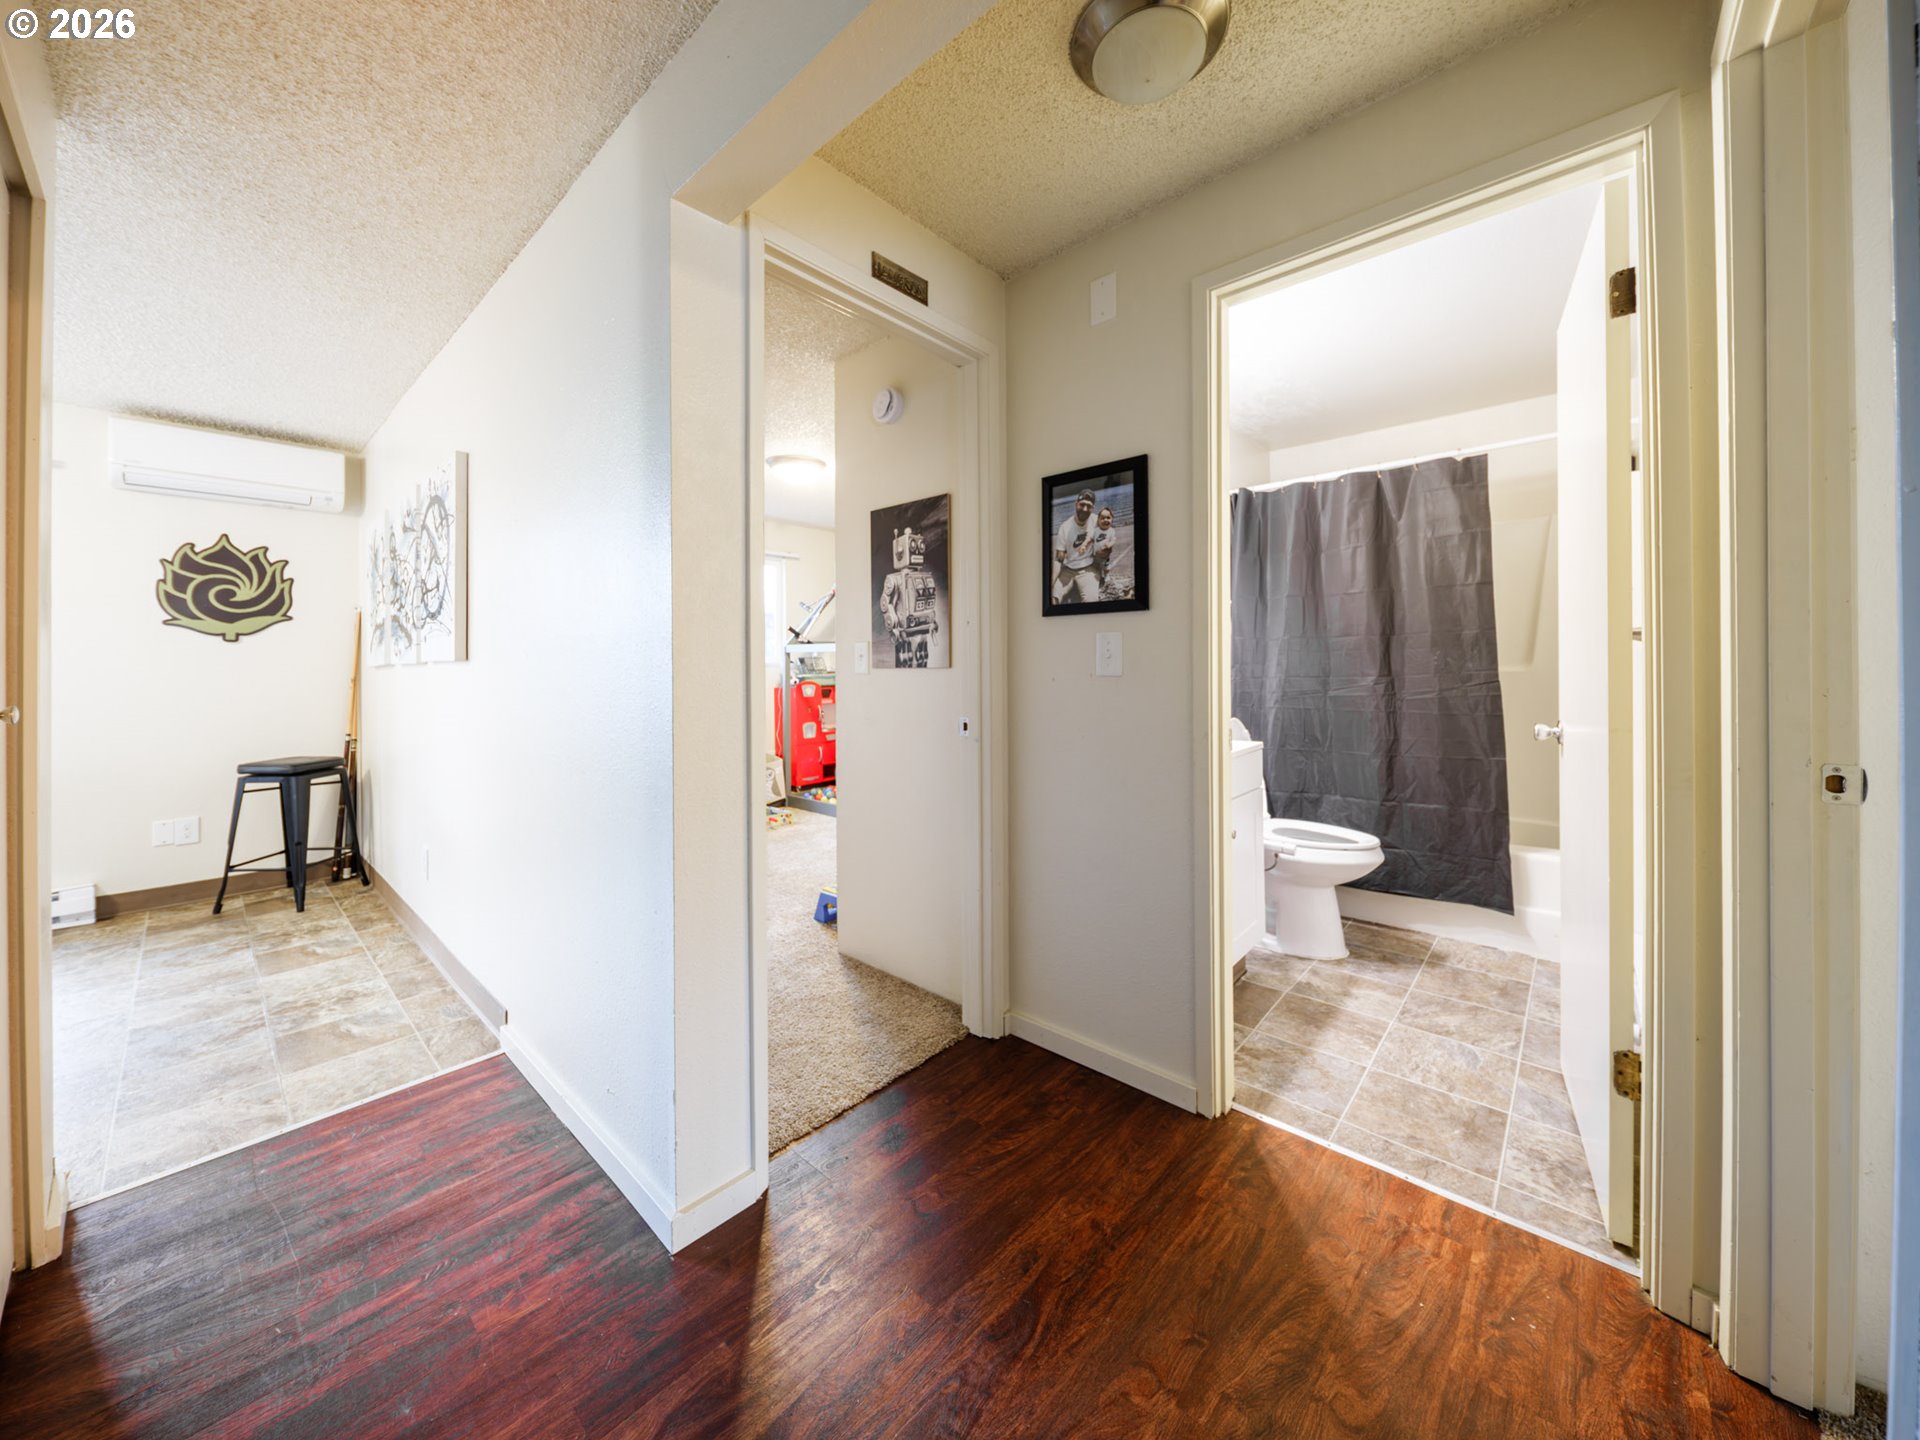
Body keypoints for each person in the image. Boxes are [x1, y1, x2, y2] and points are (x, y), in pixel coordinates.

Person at [1052, 488, 1101, 604]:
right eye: (1082, 504)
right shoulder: (1065, 527)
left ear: (1093, 508)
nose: (1084, 509)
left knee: (1091, 601)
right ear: (1076, 504)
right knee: (1052, 598)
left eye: (1089, 506)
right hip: (1067, 570)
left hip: (1088, 569)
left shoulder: (1097, 521)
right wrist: (1051, 583)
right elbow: (1059, 560)